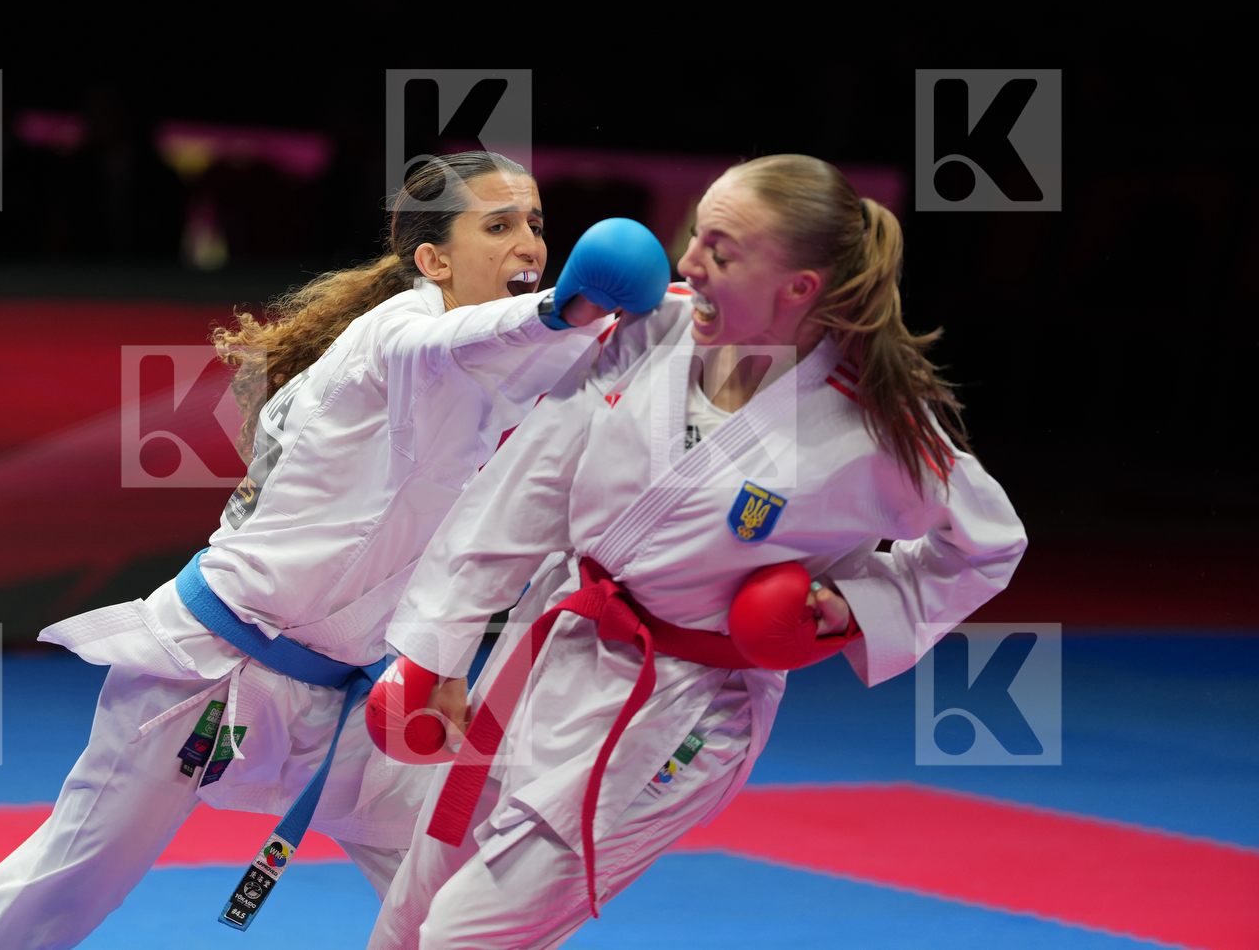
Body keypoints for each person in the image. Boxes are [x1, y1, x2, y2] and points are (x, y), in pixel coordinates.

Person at [0, 151, 672, 949]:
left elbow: (611, 357)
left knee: (461, 885)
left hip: (348, 706)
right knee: (69, 883)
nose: (528, 242)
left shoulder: (529, 365)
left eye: (535, 224)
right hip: (209, 673)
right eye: (498, 225)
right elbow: (472, 341)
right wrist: (563, 308)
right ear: (433, 259)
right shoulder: (397, 334)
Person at [368, 154, 1028, 949]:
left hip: (679, 708)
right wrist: (437, 652)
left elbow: (988, 545)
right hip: (551, 642)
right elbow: (526, 490)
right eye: (695, 236)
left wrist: (861, 606)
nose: (688, 262)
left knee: (461, 939)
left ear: (799, 288)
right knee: (408, 921)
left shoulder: (873, 421)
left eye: (721, 249)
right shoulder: (652, 326)